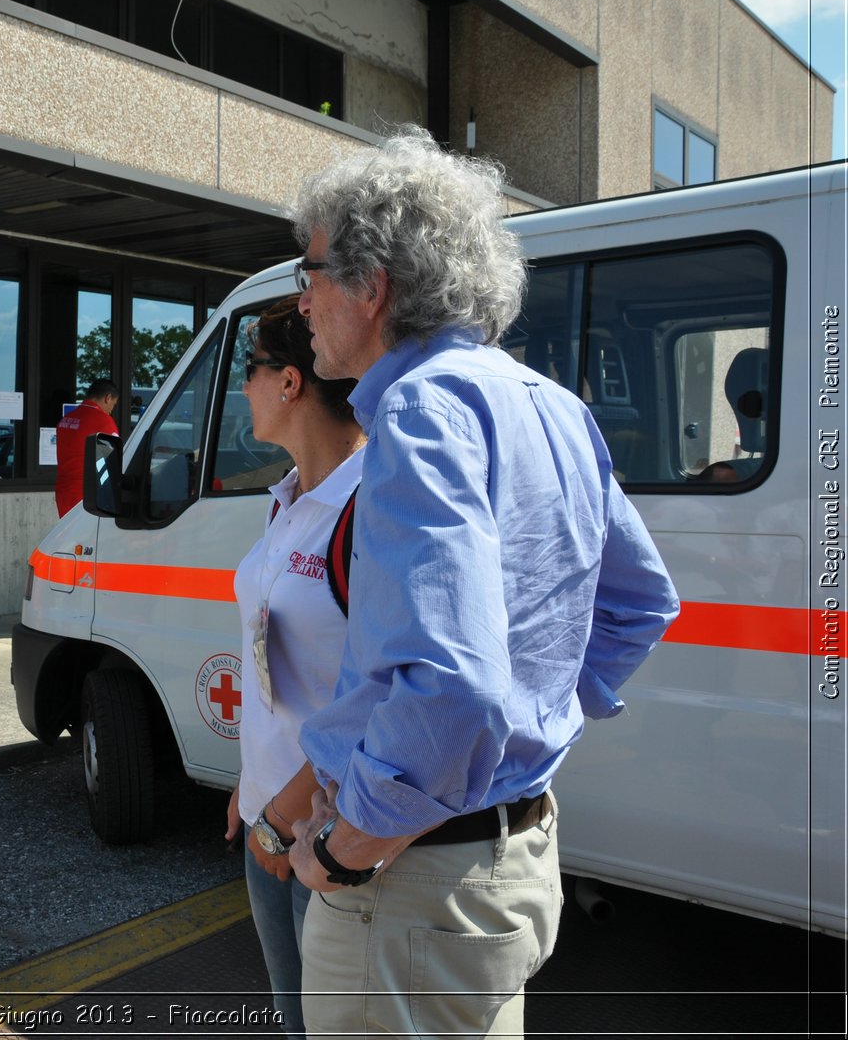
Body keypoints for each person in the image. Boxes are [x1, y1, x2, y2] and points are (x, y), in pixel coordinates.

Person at [282, 126, 680, 1038]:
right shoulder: (551, 402)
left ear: (371, 285)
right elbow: (641, 601)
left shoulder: (422, 410)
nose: (301, 297)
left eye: (310, 270)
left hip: (414, 885)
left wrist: (350, 848)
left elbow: (454, 688)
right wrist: (534, 719)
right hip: (505, 860)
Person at [221, 298, 363, 1039]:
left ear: (289, 382)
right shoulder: (289, 498)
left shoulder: (368, 502)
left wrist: (283, 815)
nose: (242, 389)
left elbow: (378, 695)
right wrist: (255, 779)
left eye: (250, 371)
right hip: (271, 814)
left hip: (328, 833)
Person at [54, 378, 119, 515]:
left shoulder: (66, 419)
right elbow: (114, 461)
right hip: (87, 497)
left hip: (63, 492)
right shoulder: (104, 422)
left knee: (70, 535)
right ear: (108, 398)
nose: (111, 411)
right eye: (113, 405)